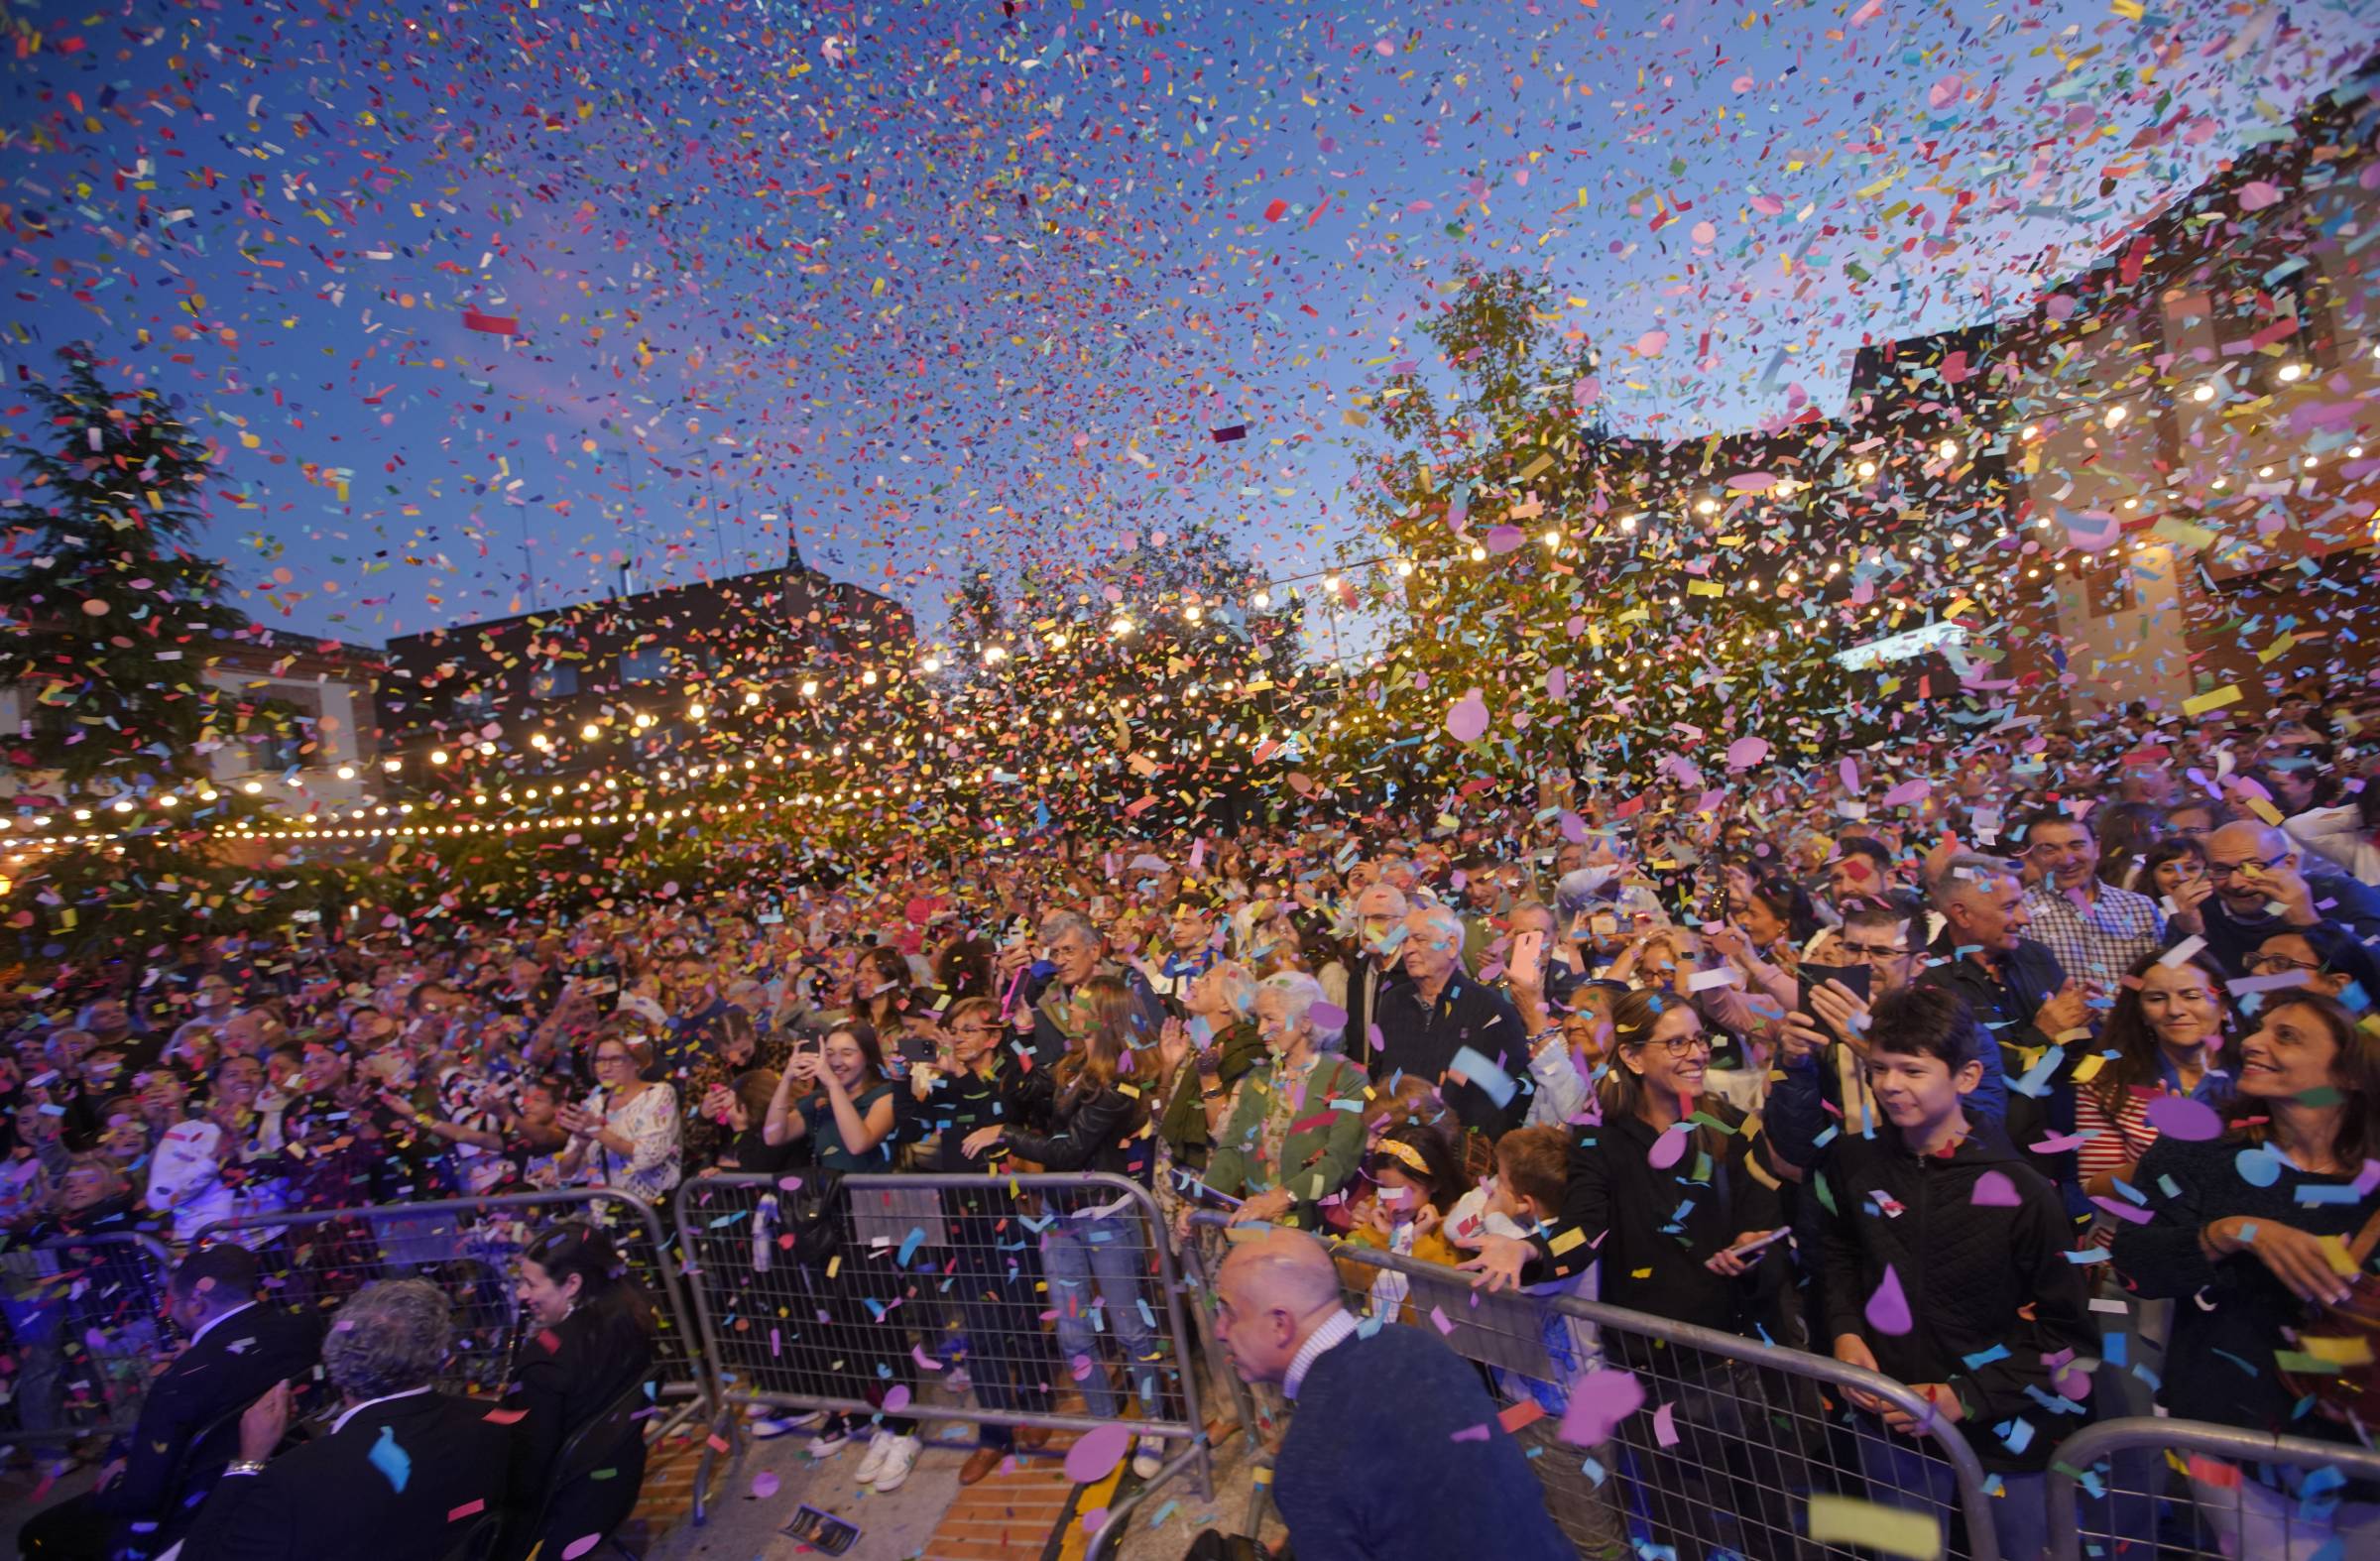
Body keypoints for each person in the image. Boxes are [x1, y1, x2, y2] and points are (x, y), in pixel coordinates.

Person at [1458, 989, 1810, 1556]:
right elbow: (1583, 1228)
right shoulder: (1599, 1140)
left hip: (1741, 1364)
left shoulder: (1733, 1127)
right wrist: (1530, 1253)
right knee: (1686, 1533)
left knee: (1774, 1529)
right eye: (1677, 1043)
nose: (1697, 1053)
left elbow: (1764, 1222)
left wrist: (1752, 1247)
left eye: (1699, 1039)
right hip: (1656, 1376)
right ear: (1632, 1056)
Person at [1820, 987, 2099, 1561]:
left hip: (2006, 1438)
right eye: (1879, 1069)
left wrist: (1963, 1397)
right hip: (1889, 1424)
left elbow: (2069, 1341)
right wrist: (1845, 1332)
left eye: (1912, 1070)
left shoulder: (2023, 1191)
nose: (1889, 1085)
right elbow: (1839, 1256)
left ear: (1967, 1077)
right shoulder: (1852, 1161)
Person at [2111, 992, 2380, 1555]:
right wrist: (2230, 1233)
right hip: (2236, 1439)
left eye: (2287, 1036)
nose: (2253, 1042)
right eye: (2260, 1029)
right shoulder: (2195, 1153)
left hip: (2365, 1441)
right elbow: (2136, 1266)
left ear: (2349, 1074)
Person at [1199, 1226, 1570, 1561]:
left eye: (1229, 1312)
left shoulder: (1308, 1463)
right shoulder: (1417, 1344)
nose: (1219, 1330)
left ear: (1280, 1324)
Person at [961, 976, 1169, 1481]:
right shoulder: (1070, 1065)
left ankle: (1155, 1425)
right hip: (1058, 1218)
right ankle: (1104, 1425)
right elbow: (1026, 1095)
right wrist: (1019, 1040)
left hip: (1106, 1219)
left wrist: (1004, 1134)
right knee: (1074, 1334)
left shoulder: (1121, 1085)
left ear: (1104, 1016)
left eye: (1079, 1005)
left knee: (1130, 1329)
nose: (1070, 1009)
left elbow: (1069, 1150)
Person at [18, 1245, 320, 1561]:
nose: (168, 1311)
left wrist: (112, 1484)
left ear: (197, 1302)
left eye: (171, 1301)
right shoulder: (302, 1326)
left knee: (36, 1534)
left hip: (199, 1516)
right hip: (289, 1468)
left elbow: (141, 1497)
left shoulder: (178, 1384)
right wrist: (197, 1357)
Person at [182, 1279, 514, 1561]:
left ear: (335, 1363)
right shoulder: (491, 1423)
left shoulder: (294, 1480)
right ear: (437, 1353)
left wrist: (248, 1462)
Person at [759, 1021, 919, 1484]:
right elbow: (772, 1134)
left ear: (867, 1055)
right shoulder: (818, 1101)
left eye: (847, 1052)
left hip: (874, 1219)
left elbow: (859, 1141)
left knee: (883, 1327)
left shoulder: (885, 1096)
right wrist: (787, 1079)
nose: (837, 1061)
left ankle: (905, 1429)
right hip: (829, 1226)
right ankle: (882, 1421)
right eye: (830, 1052)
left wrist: (830, 1085)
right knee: (850, 1327)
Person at [500, 1222, 657, 1561]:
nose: (521, 1295)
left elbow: (526, 1474)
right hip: (618, 1482)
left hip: (564, 1513)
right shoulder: (633, 1314)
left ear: (572, 1284)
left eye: (531, 1284)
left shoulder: (543, 1363)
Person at [1197, 972, 1368, 1231]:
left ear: (1306, 1022)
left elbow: (1339, 1160)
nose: (1260, 1030)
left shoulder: (1347, 1078)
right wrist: (1201, 1201)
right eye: (1259, 1019)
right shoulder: (1259, 1078)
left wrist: (1282, 1198)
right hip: (1257, 1231)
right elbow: (1233, 1149)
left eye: (1270, 1019)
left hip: (1314, 1233)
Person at [1370, 904, 1526, 1140]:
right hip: (1397, 1145)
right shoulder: (1393, 1001)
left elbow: (1506, 1093)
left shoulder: (1490, 1009)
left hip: (1459, 1146)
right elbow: (1381, 1073)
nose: (1408, 949)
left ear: (1451, 945)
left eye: (1420, 939)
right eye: (1404, 941)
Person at [2194, 820, 2380, 980]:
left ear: (2289, 864)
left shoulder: (2342, 894)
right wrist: (2187, 932)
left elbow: (2374, 973)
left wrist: (2310, 924)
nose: (2235, 883)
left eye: (2252, 867)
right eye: (2221, 870)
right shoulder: (2201, 909)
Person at [2016, 809, 2166, 989]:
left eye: (2076, 846)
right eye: (2049, 850)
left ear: (2096, 848)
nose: (2066, 860)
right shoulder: (2019, 913)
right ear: (2031, 858)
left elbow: (2162, 974)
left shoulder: (2139, 907)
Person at [554, 1030, 681, 1202]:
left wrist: (597, 1131)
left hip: (650, 1207)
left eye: (615, 1060)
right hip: (603, 1211)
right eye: (599, 1060)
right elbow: (564, 1174)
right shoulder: (593, 1104)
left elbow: (649, 1156)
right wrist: (580, 1147)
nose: (606, 1068)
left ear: (636, 1062)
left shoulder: (659, 1093)